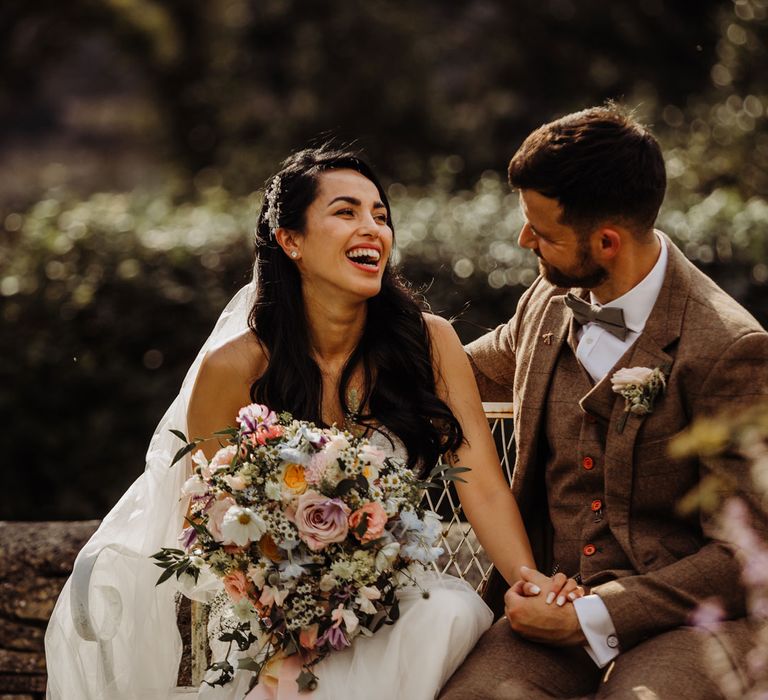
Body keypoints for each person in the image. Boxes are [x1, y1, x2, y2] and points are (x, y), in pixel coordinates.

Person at [44, 145, 577, 700]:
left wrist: (528, 581)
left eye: (380, 214)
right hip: (274, 620)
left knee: (453, 609)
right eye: (346, 212)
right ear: (290, 240)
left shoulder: (430, 342)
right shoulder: (233, 369)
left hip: (395, 597)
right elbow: (210, 521)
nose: (372, 227)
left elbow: (484, 487)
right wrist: (292, 585)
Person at [440, 105, 768, 699]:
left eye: (542, 232)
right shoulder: (548, 298)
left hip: (684, 622)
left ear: (607, 241)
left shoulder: (729, 347)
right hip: (547, 602)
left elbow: (745, 552)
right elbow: (457, 375)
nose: (524, 240)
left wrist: (597, 615)